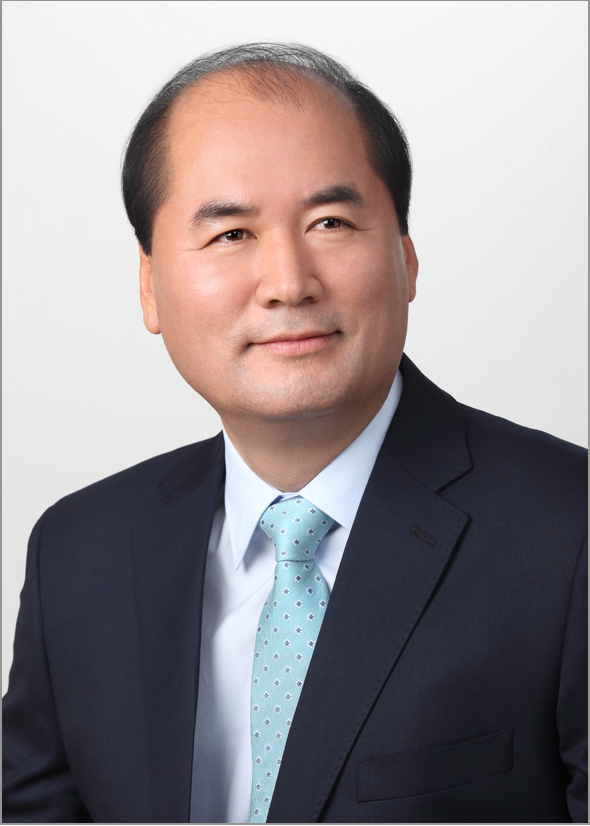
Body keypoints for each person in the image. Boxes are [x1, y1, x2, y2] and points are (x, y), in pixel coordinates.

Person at [2, 42, 587, 824]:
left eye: (330, 222)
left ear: (407, 258)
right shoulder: (78, 554)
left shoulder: (569, 531)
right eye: (230, 234)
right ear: (150, 288)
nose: (287, 283)